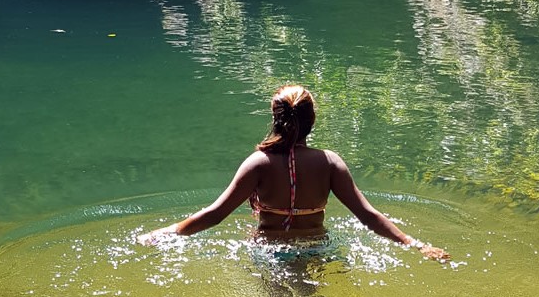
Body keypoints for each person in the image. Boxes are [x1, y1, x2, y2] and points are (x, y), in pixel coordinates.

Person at [141, 84, 449, 261]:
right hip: (318, 248)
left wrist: (167, 232)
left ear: (275, 119)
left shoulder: (258, 163)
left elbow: (215, 214)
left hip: (269, 252)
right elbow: (368, 216)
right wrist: (416, 244)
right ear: (313, 120)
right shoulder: (330, 163)